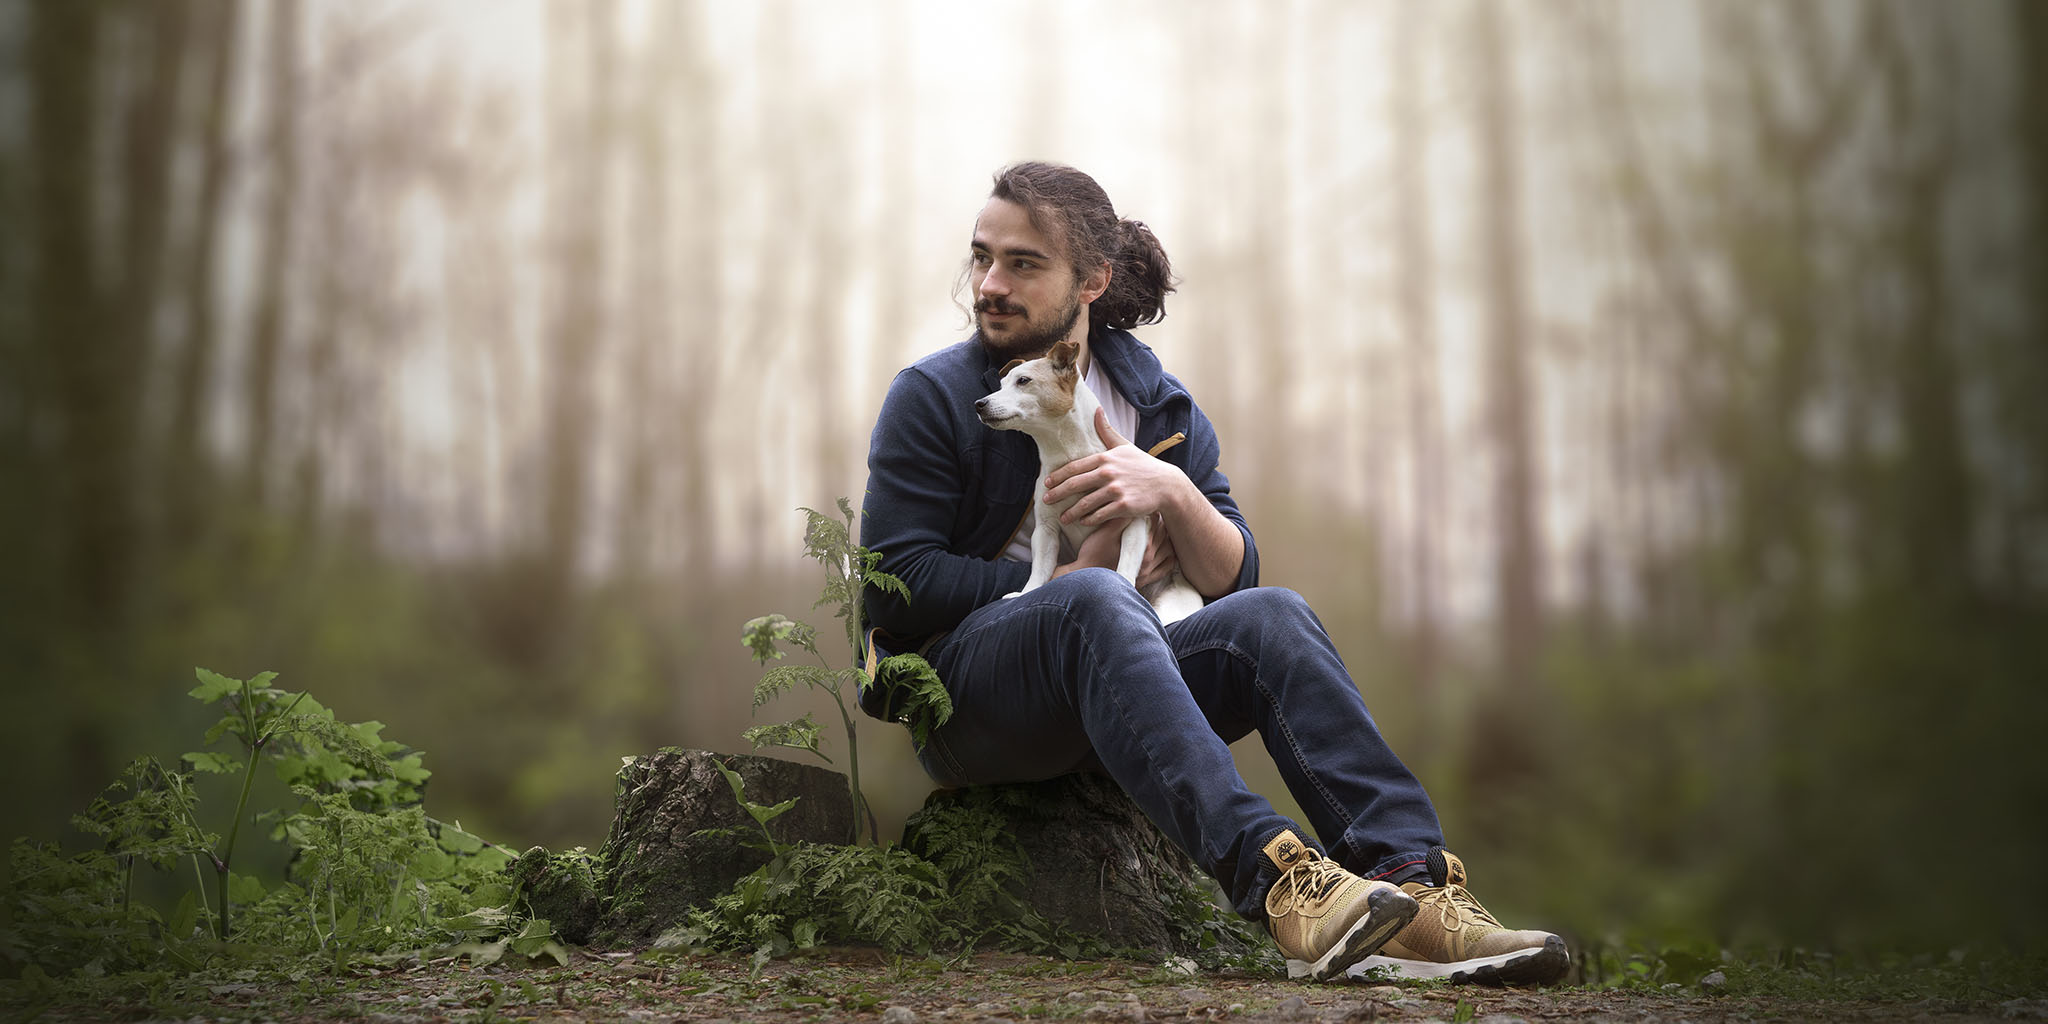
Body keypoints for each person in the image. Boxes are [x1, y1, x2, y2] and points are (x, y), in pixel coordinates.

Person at [858, 161, 1569, 985]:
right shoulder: (935, 398)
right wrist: (1069, 578)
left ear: (1093, 279)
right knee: (1096, 595)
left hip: (1124, 689)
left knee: (1275, 614)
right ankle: (1286, 888)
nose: (989, 284)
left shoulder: (1157, 403)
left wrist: (1172, 488)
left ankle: (1416, 895)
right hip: (972, 697)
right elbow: (891, 584)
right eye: (982, 257)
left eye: (1022, 263)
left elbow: (1232, 575)